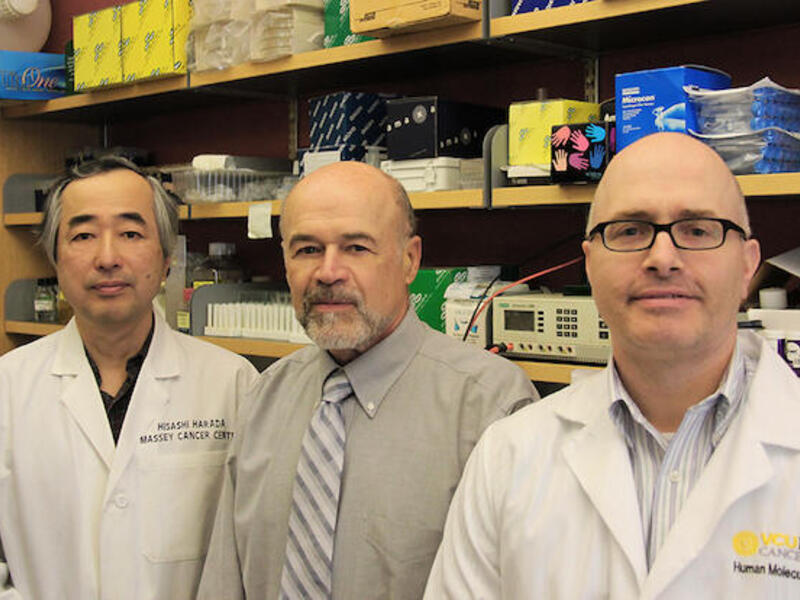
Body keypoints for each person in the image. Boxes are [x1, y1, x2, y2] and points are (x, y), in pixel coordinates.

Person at [425, 132, 800, 598]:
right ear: (589, 265)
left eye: (698, 230)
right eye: (630, 231)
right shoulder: (508, 457)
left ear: (748, 266)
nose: (663, 258)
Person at [197, 161, 538, 600]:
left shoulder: (491, 406)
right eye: (306, 250)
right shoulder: (266, 397)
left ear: (409, 259)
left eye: (356, 248)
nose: (327, 272)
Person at [0, 157, 258, 600]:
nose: (107, 258)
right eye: (82, 235)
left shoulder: (233, 384)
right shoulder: (8, 388)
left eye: (131, 233)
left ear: (165, 259)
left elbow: (252, 551)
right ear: (56, 260)